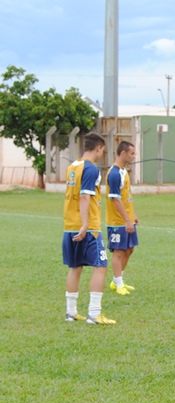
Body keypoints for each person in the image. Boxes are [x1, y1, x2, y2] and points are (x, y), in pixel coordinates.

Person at [62, 132, 115, 325]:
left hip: (69, 225)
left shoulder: (72, 167)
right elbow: (85, 197)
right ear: (99, 148)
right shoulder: (91, 169)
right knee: (101, 267)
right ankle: (94, 314)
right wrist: (85, 224)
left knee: (75, 267)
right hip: (88, 226)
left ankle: (71, 312)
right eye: (103, 150)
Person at [106, 141, 139, 295]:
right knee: (118, 252)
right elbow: (116, 199)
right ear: (123, 153)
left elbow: (126, 196)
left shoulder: (124, 171)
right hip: (117, 221)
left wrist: (133, 215)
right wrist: (126, 220)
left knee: (129, 249)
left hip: (127, 219)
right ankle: (119, 285)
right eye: (132, 153)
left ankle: (116, 281)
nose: (134, 156)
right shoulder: (114, 173)